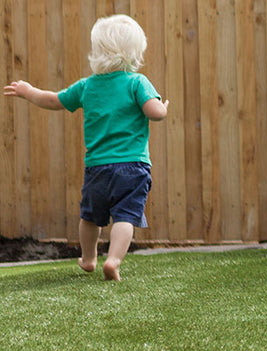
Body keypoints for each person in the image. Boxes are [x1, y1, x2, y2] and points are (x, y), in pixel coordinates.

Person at [4, 15, 168, 281]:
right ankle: (113, 261)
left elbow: (54, 100)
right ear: (134, 52)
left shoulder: (87, 86)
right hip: (133, 166)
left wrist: (28, 91)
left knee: (90, 217)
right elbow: (155, 113)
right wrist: (163, 107)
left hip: (97, 167)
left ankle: (89, 258)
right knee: (125, 217)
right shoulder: (137, 82)